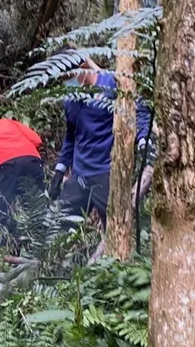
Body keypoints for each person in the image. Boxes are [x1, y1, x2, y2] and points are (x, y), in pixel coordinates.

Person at [50, 62, 152, 226]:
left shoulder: (112, 83)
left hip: (106, 172)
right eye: (64, 80)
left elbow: (137, 111)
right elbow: (70, 137)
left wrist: (143, 140)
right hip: (79, 174)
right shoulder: (71, 100)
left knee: (115, 226)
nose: (69, 83)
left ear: (83, 66)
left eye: (70, 77)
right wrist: (60, 171)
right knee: (60, 226)